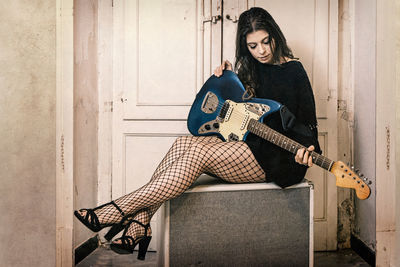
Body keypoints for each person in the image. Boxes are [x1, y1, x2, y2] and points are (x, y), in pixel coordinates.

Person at [74, 7, 321, 260]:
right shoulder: (249, 69)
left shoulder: (294, 70)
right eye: (253, 46)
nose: (261, 51)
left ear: (275, 36)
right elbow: (234, 106)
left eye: (266, 42)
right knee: (184, 143)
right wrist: (223, 79)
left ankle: (119, 210)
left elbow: (309, 124)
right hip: (249, 147)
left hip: (280, 158)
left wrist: (307, 149)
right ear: (245, 46)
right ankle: (140, 224)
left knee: (198, 153)